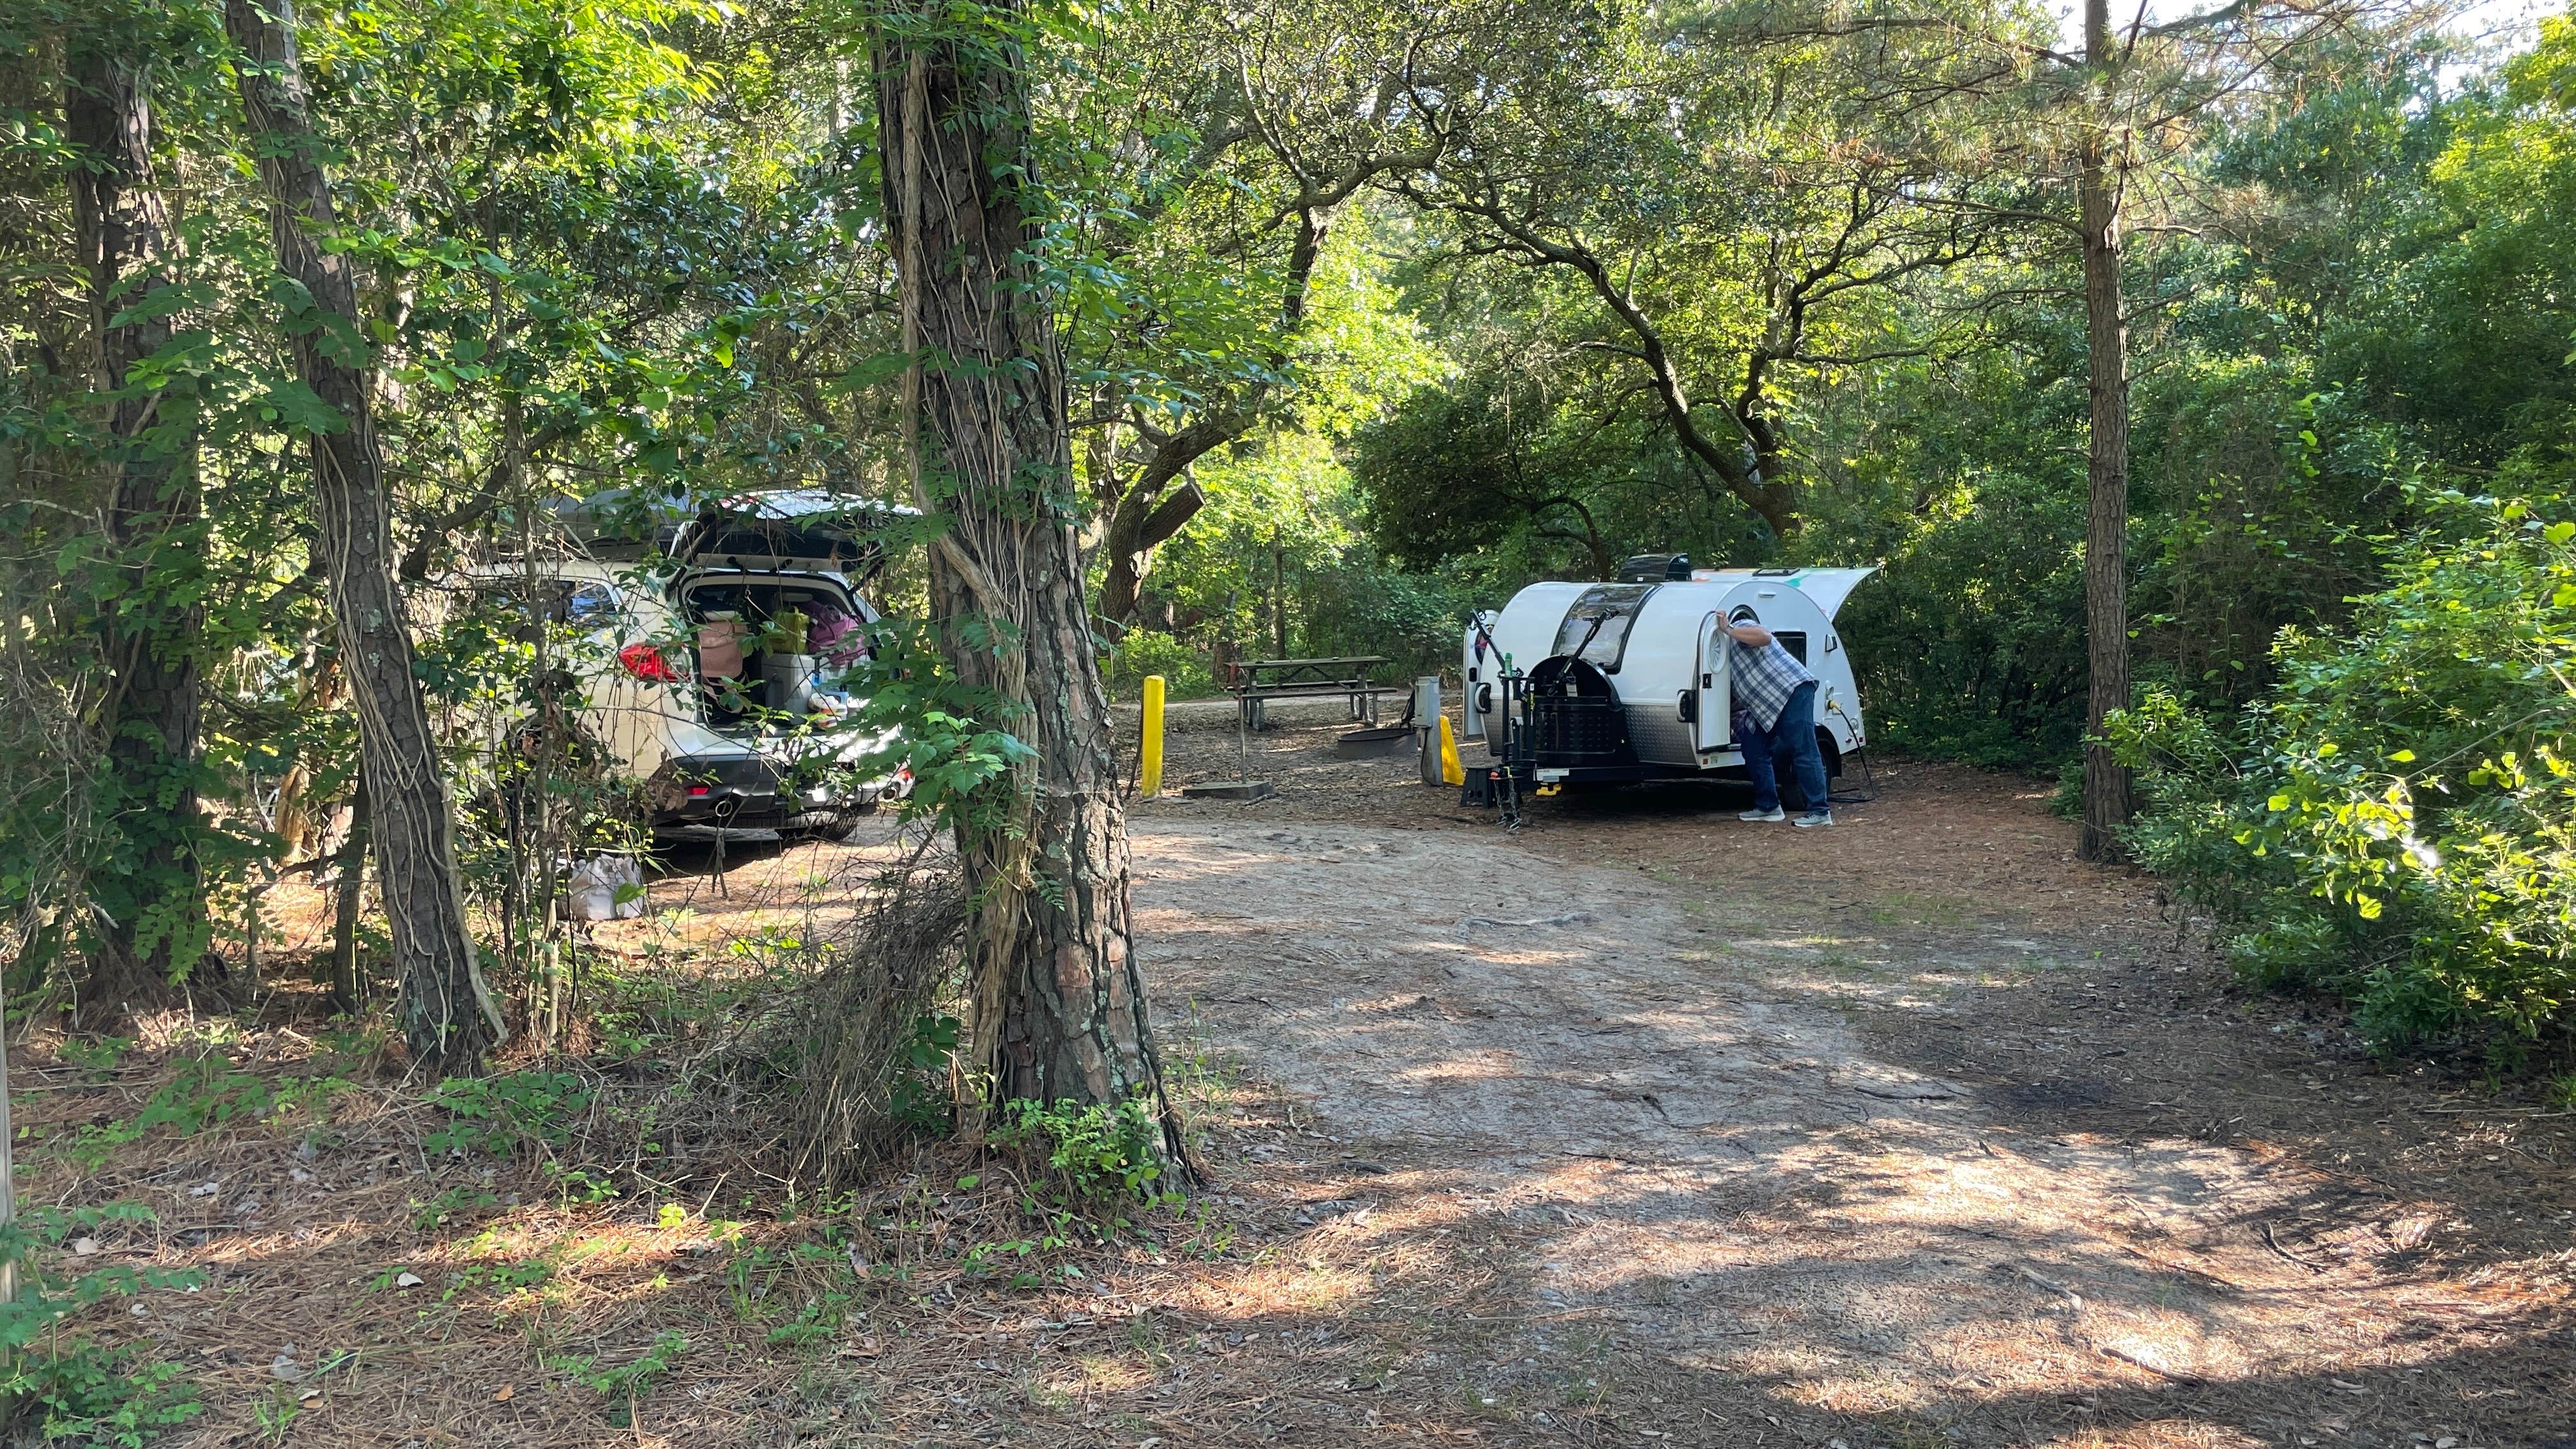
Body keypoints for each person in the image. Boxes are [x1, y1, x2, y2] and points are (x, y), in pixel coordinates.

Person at [1721, 609, 1831, 827]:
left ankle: (1820, 812)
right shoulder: (1720, 655)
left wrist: (1728, 629)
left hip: (1790, 691)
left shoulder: (1739, 627)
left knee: (1803, 748)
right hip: (1766, 704)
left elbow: (1765, 637)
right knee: (1753, 747)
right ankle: (1768, 806)